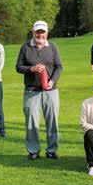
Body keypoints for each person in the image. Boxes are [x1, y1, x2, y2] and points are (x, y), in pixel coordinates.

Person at [16, 20, 63, 160]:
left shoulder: (53, 47)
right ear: (33, 32)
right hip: (31, 91)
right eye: (38, 32)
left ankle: (51, 150)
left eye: (42, 32)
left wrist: (52, 80)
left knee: (52, 120)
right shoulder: (25, 47)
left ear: (47, 33)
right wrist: (31, 69)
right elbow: (18, 67)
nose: (40, 35)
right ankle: (33, 151)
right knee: (31, 121)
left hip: (51, 91)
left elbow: (59, 67)